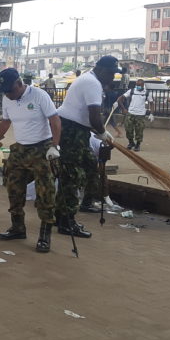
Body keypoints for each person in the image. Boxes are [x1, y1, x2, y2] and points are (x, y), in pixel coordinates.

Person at [0, 68, 61, 252]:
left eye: (10, 91)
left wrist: (55, 145)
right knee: (13, 187)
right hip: (20, 148)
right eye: (5, 92)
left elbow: (55, 120)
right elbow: (6, 121)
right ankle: (17, 227)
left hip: (42, 148)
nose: (8, 95)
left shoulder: (39, 95)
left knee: (45, 192)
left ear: (19, 84)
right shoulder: (7, 98)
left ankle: (45, 235)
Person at [54, 56, 119, 239]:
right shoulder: (92, 83)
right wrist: (103, 133)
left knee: (90, 166)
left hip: (76, 130)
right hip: (72, 131)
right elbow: (94, 117)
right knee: (72, 175)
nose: (113, 78)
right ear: (103, 71)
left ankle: (68, 211)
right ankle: (66, 221)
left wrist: (99, 132)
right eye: (112, 73)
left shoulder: (88, 78)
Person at [116, 78, 154, 151]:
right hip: (130, 113)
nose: (137, 86)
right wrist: (123, 109)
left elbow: (151, 103)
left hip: (140, 115)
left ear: (143, 85)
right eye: (137, 85)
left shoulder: (147, 93)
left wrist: (152, 114)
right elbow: (119, 99)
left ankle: (137, 144)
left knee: (139, 131)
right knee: (128, 129)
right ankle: (131, 142)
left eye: (139, 85)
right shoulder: (132, 91)